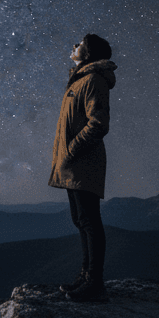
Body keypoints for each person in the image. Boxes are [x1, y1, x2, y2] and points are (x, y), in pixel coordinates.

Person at [48, 33, 117, 302]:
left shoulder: (93, 79)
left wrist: (73, 149)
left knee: (89, 221)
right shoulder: (80, 79)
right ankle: (86, 277)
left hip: (82, 161)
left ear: (87, 53)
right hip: (73, 163)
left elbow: (99, 123)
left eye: (79, 44)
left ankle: (95, 283)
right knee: (80, 220)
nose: (73, 46)